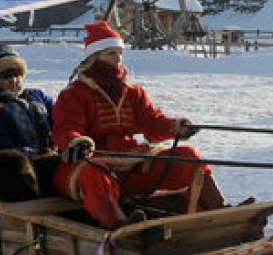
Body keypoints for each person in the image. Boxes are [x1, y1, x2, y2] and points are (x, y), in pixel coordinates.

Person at [52, 21, 224, 230]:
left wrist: (175, 127)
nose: (118, 60)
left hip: (131, 162)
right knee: (94, 173)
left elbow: (151, 122)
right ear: (94, 57)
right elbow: (65, 128)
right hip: (89, 163)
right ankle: (123, 231)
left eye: (120, 54)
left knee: (187, 156)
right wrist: (76, 142)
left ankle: (222, 214)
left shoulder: (132, 91)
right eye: (110, 54)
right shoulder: (74, 94)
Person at [0, 44, 59, 194]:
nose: (14, 80)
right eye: (7, 76)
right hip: (21, 169)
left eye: (18, 74)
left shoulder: (37, 96)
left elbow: (59, 119)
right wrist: (35, 154)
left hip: (54, 157)